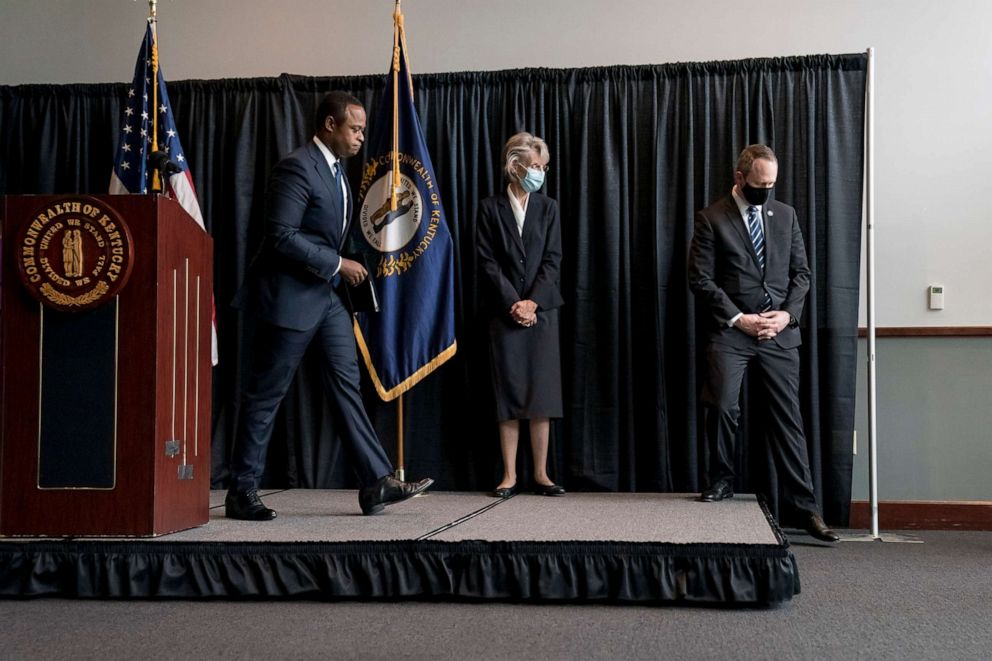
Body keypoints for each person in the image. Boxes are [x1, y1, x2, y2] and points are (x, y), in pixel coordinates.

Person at [226, 91, 433, 520]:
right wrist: (339, 263)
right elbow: (280, 234)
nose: (361, 137)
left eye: (361, 129)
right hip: (288, 298)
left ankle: (375, 483)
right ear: (329, 126)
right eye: (354, 128)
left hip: (326, 299)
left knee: (346, 388)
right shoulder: (297, 167)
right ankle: (241, 490)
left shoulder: (338, 171)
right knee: (266, 394)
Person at [688, 144, 838, 542]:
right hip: (732, 331)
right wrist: (740, 319)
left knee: (788, 419)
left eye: (771, 184)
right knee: (721, 405)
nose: (766, 191)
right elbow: (700, 280)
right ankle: (720, 481)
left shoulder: (785, 215)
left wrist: (786, 315)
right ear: (740, 179)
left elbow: (801, 274)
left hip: (779, 332)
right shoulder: (711, 218)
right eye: (759, 184)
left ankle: (806, 509)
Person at [476, 132, 565, 498]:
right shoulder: (489, 207)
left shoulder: (549, 208)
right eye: (534, 166)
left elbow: (553, 259)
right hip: (503, 311)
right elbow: (487, 261)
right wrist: (514, 302)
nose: (539, 173)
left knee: (541, 395)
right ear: (514, 166)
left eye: (542, 167)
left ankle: (542, 474)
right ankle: (509, 475)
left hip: (541, 311)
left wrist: (532, 303)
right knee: (508, 394)